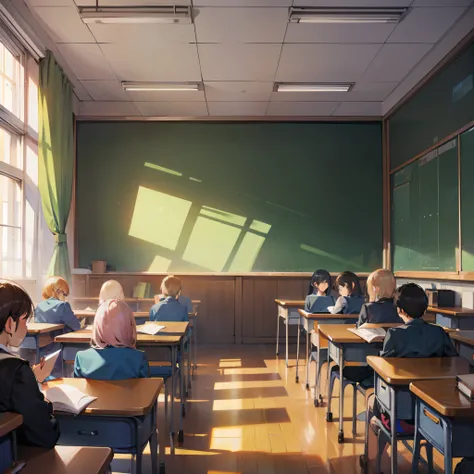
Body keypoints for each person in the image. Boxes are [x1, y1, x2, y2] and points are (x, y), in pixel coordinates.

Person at [369, 283, 458, 436]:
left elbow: (384, 368)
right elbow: (454, 361)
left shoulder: (394, 334)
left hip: (400, 414)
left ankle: (374, 457)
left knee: (371, 398)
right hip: (433, 414)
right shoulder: (438, 332)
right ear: (425, 309)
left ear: (399, 310)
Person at [0, 281, 59, 448]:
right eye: (25, 320)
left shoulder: (18, 370)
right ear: (9, 324)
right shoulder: (16, 370)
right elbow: (45, 435)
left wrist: (31, 378)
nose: (26, 327)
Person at [74, 299, 149, 380]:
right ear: (129, 325)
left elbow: (78, 390)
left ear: (97, 325)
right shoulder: (138, 359)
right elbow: (146, 391)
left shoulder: (81, 358)